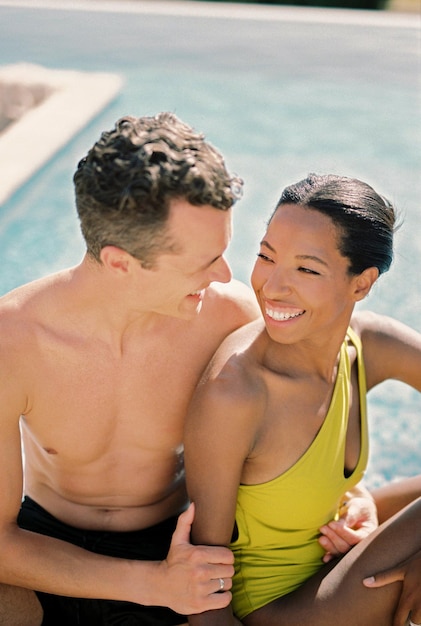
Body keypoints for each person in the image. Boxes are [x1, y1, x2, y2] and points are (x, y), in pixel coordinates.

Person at [0, 112, 263, 626]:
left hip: (180, 543)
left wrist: (350, 499)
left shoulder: (230, 317)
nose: (225, 275)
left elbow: (302, 420)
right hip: (46, 548)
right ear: (120, 262)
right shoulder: (14, 341)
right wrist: (151, 586)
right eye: (203, 261)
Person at [184, 173, 421, 626]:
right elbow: (204, 587)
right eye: (265, 256)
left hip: (333, 568)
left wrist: (361, 498)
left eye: (306, 269)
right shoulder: (237, 392)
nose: (272, 287)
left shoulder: (369, 345)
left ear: (361, 283)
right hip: (276, 609)